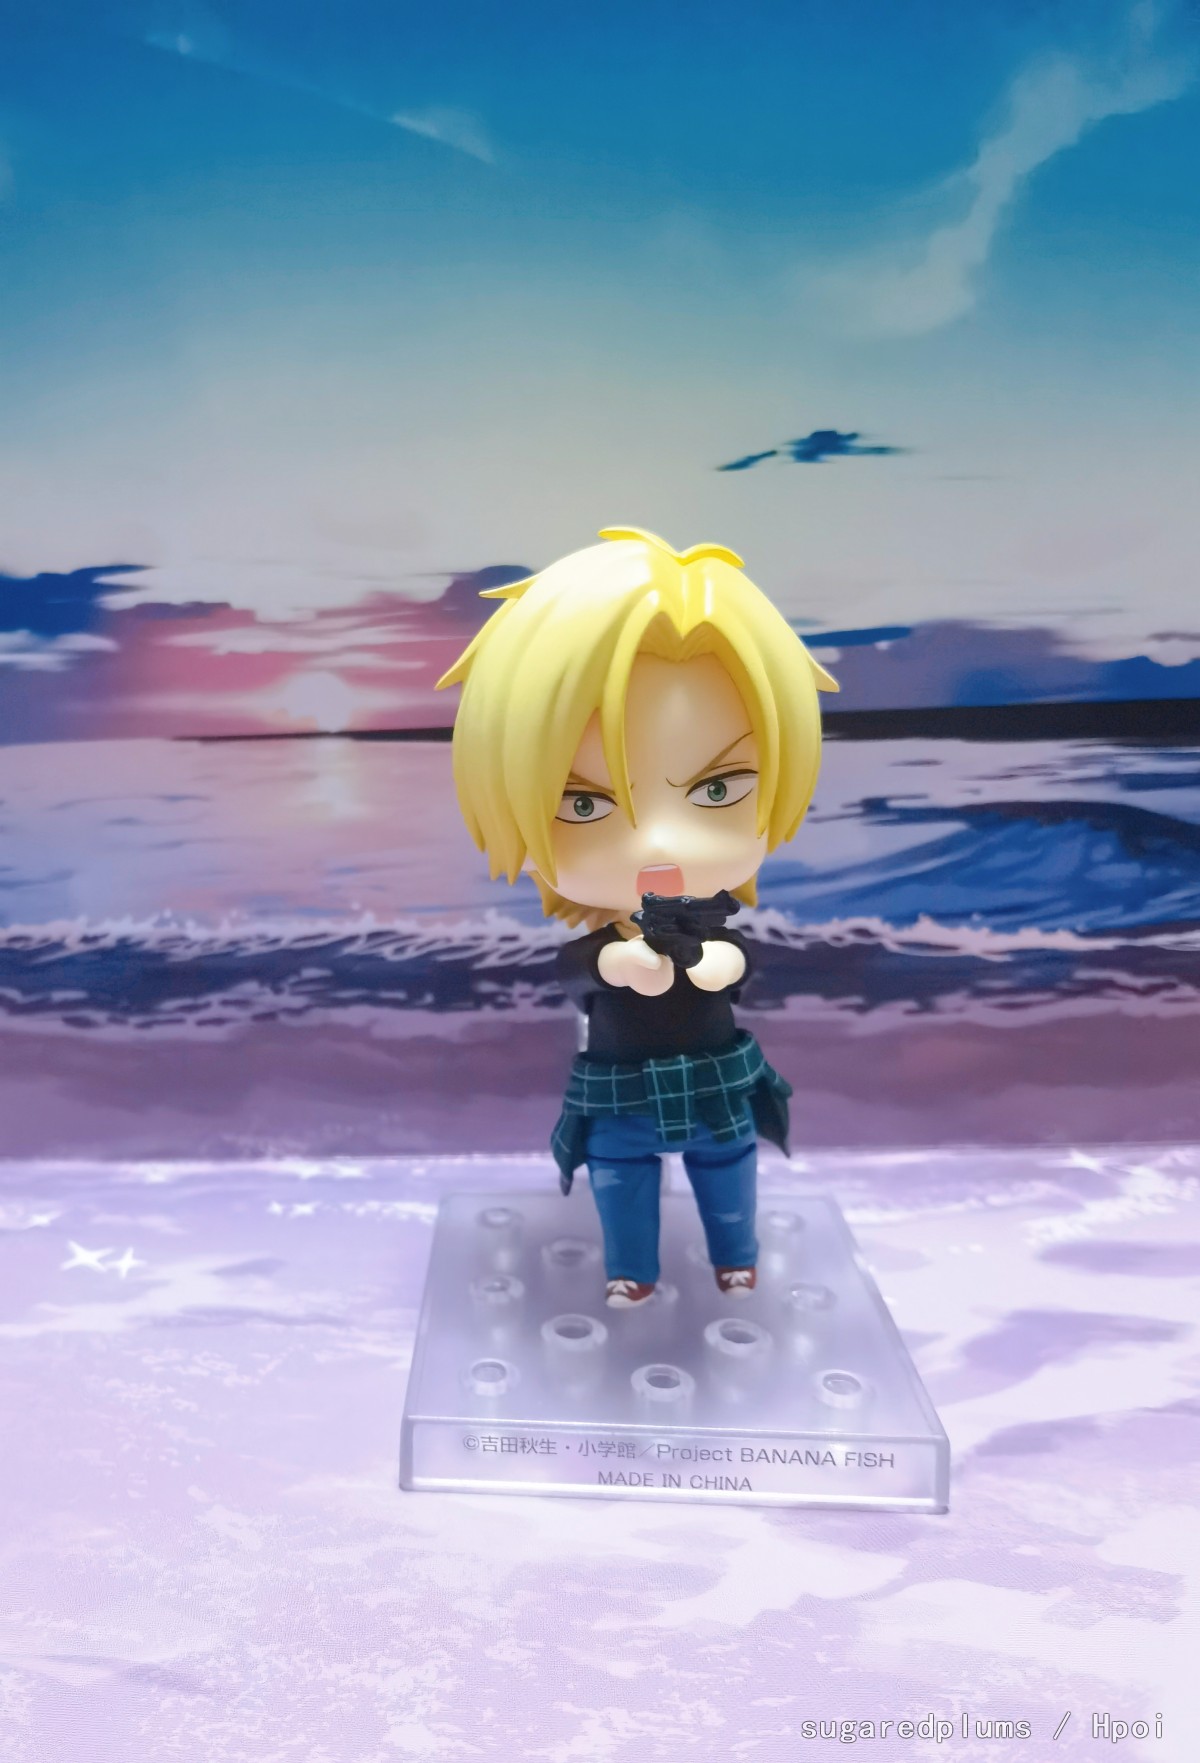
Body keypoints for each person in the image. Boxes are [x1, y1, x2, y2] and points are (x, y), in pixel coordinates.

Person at [437, 527, 836, 1307]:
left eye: (717, 790)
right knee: (620, 1177)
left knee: (729, 1167)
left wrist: (719, 961)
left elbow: (738, 962)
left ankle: (736, 1258)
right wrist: (616, 963)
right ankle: (631, 1270)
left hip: (715, 1082)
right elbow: (576, 970)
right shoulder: (606, 940)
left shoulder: (708, 920)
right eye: (584, 805)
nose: (657, 843)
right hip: (620, 1088)